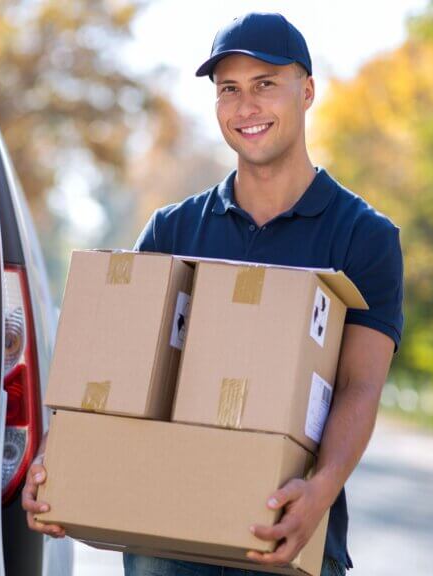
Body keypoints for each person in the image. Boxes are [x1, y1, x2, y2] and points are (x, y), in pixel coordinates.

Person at [21, 12, 404, 576]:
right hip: (164, 545)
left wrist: (321, 489)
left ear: (308, 91)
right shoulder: (171, 232)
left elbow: (359, 385)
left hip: (283, 533)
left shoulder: (362, 236)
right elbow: (112, 369)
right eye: (229, 90)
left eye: (265, 85)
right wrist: (60, 460)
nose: (245, 107)